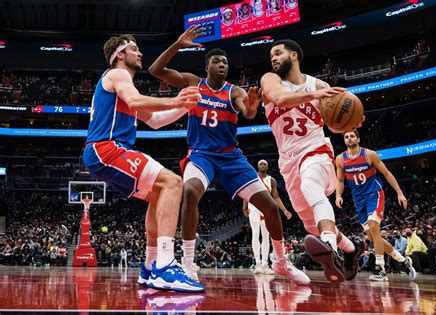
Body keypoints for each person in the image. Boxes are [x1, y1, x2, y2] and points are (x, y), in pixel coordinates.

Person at [148, 27, 309, 286]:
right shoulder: (193, 82)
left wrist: (253, 105)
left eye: (225, 62)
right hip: (201, 155)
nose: (222, 64)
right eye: (217, 62)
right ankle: (189, 263)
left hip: (230, 157)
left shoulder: (234, 91)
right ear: (207, 66)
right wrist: (178, 43)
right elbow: (155, 70)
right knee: (189, 192)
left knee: (269, 205)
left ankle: (280, 260)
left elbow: (247, 111)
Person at [82, 34, 204, 292]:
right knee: (173, 182)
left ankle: (150, 267)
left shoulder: (126, 86)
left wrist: (186, 105)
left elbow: (156, 121)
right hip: (107, 148)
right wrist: (176, 99)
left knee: (159, 194)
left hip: (105, 152)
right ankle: (165, 265)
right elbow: (137, 101)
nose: (140, 53)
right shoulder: (118, 75)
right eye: (134, 49)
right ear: (119, 56)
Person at [259, 39, 364, 283]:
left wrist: (350, 122)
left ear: (293, 55)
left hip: (316, 150)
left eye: (277, 53)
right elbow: (280, 98)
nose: (272, 58)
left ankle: (330, 244)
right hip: (288, 160)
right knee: (310, 226)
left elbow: (334, 123)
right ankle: (350, 248)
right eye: (270, 55)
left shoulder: (319, 84)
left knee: (311, 185)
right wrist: (314, 95)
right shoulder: (270, 80)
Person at [335, 130, 416, 282]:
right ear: (344, 141)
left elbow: (386, 173)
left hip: (374, 194)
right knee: (373, 237)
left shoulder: (369, 154)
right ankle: (402, 260)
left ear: (358, 139)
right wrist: (338, 195)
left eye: (352, 136)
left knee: (374, 227)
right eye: (346, 137)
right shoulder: (340, 159)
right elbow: (339, 181)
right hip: (358, 200)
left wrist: (399, 192)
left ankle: (380, 268)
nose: (349, 138)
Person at [242, 160, 292, 275]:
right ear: (258, 166)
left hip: (266, 208)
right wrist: (244, 208)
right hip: (253, 207)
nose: (263, 165)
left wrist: (284, 210)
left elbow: (276, 197)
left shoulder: (271, 180)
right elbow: (245, 193)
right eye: (261, 164)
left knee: (266, 236)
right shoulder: (252, 178)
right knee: (255, 233)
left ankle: (265, 264)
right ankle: (257, 264)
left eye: (264, 164)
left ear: (267, 167)